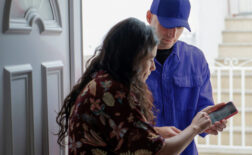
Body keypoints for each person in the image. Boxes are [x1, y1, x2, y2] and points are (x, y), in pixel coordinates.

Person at [56, 17, 223, 154]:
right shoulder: (114, 93)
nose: (153, 67)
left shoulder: (104, 84)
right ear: (131, 58)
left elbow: (119, 132)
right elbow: (160, 152)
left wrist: (154, 132)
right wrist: (194, 128)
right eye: (150, 59)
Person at [145, 0, 227, 154]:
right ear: (149, 17)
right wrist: (153, 132)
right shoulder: (129, 59)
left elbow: (203, 108)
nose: (173, 33)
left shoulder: (196, 59)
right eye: (167, 25)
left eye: (180, 27)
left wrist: (209, 122)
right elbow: (119, 122)